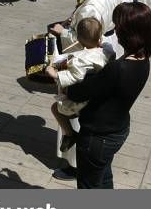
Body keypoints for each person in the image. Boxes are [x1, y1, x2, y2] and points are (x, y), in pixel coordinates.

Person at [62, 2, 151, 189]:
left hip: (98, 137)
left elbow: (78, 93)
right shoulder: (143, 60)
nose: (117, 32)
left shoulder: (118, 68)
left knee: (89, 186)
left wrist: (64, 79)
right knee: (103, 180)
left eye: (119, 28)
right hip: (117, 129)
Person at [47, 17, 112, 153]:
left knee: (55, 109)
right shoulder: (107, 50)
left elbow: (75, 76)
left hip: (82, 100)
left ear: (79, 40)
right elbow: (106, 46)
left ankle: (70, 134)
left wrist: (55, 74)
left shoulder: (80, 59)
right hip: (99, 94)